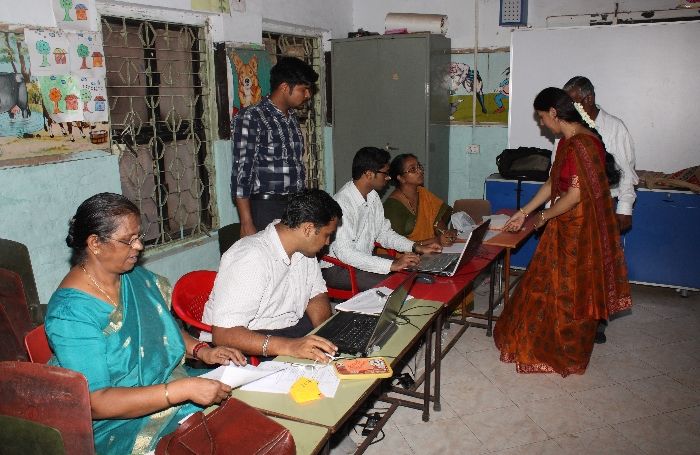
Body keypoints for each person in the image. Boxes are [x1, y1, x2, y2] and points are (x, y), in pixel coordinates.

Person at [45, 193, 246, 454]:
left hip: (170, 384)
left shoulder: (133, 277)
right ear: (95, 243)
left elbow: (163, 329)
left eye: (138, 236)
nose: (139, 246)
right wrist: (180, 390)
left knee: (243, 412)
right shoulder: (71, 313)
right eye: (129, 240)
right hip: (119, 422)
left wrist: (201, 350)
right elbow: (96, 402)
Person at [493, 88, 631, 377]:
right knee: (549, 286)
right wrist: (524, 212)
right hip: (564, 223)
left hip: (579, 229)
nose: (542, 123)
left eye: (542, 117)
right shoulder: (568, 142)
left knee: (569, 292)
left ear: (554, 113)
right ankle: (545, 341)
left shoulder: (583, 144)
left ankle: (565, 352)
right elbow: (551, 184)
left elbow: (575, 195)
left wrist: (542, 216)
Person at [203, 189, 342, 363]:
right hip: (248, 338)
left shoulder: (305, 251)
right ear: (308, 229)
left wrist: (325, 336)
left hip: (286, 328)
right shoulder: (251, 256)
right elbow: (223, 334)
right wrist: (291, 347)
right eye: (327, 235)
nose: (327, 242)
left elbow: (316, 295)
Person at [322, 147, 441, 292]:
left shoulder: (372, 196)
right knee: (401, 284)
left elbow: (384, 233)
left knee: (418, 271)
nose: (388, 178)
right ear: (369, 174)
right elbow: (345, 253)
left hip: (362, 260)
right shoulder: (342, 203)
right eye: (385, 173)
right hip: (338, 268)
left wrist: (416, 247)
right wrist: (391, 265)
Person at [231, 56, 319, 238]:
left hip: (294, 206)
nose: (307, 95)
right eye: (303, 89)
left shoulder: (291, 118)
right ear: (285, 87)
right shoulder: (252, 117)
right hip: (266, 207)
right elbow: (241, 173)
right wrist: (246, 222)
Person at [563, 76, 638, 232]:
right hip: (567, 205)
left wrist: (624, 208)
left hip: (603, 206)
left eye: (572, 104)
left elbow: (626, 171)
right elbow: (556, 172)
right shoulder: (566, 127)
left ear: (589, 99)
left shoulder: (614, 127)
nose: (568, 110)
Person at [383, 153, 457, 247]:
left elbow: (437, 221)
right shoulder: (393, 206)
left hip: (429, 250)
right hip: (401, 254)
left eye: (419, 167)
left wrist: (446, 234)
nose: (420, 171)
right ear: (401, 178)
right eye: (413, 169)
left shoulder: (424, 194)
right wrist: (435, 241)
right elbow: (394, 244)